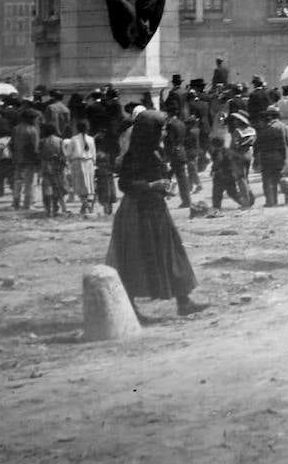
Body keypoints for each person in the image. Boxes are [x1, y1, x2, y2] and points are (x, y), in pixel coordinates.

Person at [105, 111, 205, 318]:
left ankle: (184, 301)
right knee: (137, 258)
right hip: (138, 212)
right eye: (160, 130)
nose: (164, 134)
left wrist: (164, 187)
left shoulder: (155, 151)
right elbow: (125, 184)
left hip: (155, 209)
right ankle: (131, 309)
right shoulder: (134, 155)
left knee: (170, 252)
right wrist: (153, 185)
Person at [254, 105, 288, 206]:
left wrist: (256, 161)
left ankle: (270, 201)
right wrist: (283, 158)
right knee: (278, 178)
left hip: (266, 158)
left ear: (263, 121)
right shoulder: (277, 130)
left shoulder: (262, 133)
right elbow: (283, 145)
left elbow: (257, 147)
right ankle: (285, 192)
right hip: (278, 157)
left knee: (267, 181)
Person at [63, 120, 96, 217]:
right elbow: (93, 154)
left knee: (79, 185)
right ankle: (85, 206)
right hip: (89, 162)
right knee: (88, 185)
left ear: (77, 128)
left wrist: (69, 162)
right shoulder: (91, 139)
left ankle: (87, 206)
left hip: (78, 162)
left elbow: (68, 153)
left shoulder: (74, 139)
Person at [10, 107, 40, 211]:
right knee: (29, 183)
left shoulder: (16, 128)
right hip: (29, 160)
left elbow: (11, 144)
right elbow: (35, 147)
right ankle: (27, 204)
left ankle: (16, 203)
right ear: (31, 118)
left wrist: (14, 155)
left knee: (17, 181)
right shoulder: (32, 130)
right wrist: (37, 160)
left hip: (18, 159)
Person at [38, 124, 69, 216]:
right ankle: (59, 208)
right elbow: (64, 155)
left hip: (46, 167)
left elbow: (39, 154)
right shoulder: (59, 140)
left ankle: (48, 210)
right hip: (57, 167)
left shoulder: (42, 141)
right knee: (59, 188)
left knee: (47, 188)